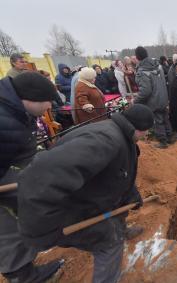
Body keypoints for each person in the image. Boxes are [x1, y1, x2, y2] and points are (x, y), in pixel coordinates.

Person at [17, 104, 153, 283]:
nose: (146, 136)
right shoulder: (105, 140)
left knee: (117, 217)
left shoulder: (117, 131)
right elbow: (43, 176)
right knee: (110, 243)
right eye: (146, 132)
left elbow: (119, 173)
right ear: (140, 130)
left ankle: (122, 228)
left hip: (93, 196)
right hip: (72, 208)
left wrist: (131, 196)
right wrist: (44, 228)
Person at [0, 72, 63, 282]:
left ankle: (24, 270)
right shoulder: (4, 121)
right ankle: (22, 276)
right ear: (31, 99)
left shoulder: (13, 110)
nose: (49, 109)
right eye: (47, 103)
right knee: (7, 228)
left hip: (12, 175)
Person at [134, 46, 173, 148]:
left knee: (158, 121)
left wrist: (135, 100)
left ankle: (163, 142)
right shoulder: (158, 65)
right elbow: (163, 82)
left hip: (153, 101)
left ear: (138, 58)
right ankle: (169, 138)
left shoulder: (142, 71)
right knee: (165, 118)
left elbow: (145, 91)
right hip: (163, 97)